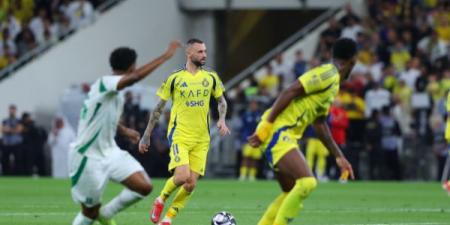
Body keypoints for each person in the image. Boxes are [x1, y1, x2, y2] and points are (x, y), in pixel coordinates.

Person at [69, 41, 180, 225]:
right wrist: (165, 57)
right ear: (131, 66)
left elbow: (102, 117)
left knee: (143, 187)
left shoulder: (114, 92)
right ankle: (97, 215)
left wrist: (124, 131)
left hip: (109, 151)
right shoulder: (105, 83)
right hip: (87, 156)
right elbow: (135, 77)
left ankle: (106, 214)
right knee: (89, 213)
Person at [248, 38, 356, 225]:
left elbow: (320, 123)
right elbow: (291, 90)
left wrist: (339, 156)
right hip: (277, 130)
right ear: (353, 60)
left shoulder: (334, 84)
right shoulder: (328, 74)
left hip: (283, 133)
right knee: (307, 182)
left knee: (290, 192)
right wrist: (268, 124)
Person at [138, 38, 230, 225]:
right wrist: (146, 135)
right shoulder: (175, 78)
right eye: (200, 52)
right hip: (180, 134)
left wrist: (221, 119)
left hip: (202, 138)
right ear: (189, 53)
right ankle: (161, 199)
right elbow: (158, 109)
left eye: (205, 51)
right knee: (181, 177)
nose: (204, 55)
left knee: (191, 184)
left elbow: (222, 101)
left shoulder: (211, 76)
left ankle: (168, 220)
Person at [238, 99, 263, 181]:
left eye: (255, 104)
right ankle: (243, 175)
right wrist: (242, 138)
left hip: (257, 140)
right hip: (247, 140)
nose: (253, 106)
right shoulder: (246, 115)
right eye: (252, 104)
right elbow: (242, 128)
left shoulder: (260, 116)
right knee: (246, 157)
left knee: (255, 159)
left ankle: (252, 175)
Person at [1, 104, 23, 175]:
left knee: (18, 160)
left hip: (16, 143)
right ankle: (6, 174)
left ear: (15, 111)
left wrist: (9, 129)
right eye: (10, 110)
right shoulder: (5, 120)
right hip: (6, 143)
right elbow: (2, 129)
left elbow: (19, 130)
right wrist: (12, 129)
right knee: (5, 160)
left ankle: (17, 174)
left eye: (13, 110)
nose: (12, 112)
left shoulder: (18, 120)